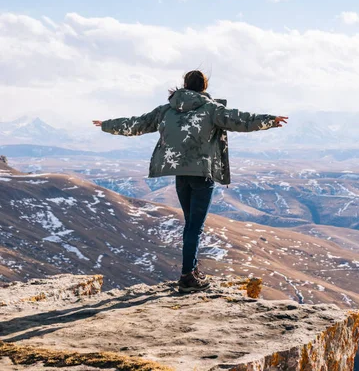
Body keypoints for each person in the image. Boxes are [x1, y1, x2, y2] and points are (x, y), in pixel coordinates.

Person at [93, 70, 288, 293]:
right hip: (202, 175)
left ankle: (191, 270)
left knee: (190, 225)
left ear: (184, 85)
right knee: (194, 227)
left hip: (180, 174)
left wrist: (107, 125)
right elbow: (240, 119)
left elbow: (137, 123)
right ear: (204, 87)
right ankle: (188, 276)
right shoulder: (211, 109)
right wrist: (270, 121)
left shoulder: (167, 110)